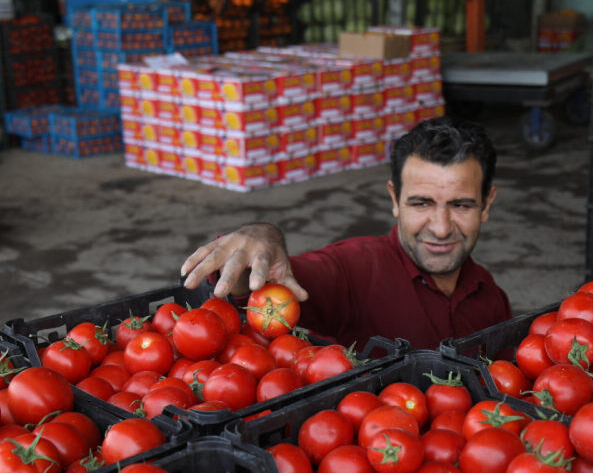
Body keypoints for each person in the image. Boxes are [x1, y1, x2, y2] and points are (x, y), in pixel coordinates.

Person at [180, 116, 512, 350]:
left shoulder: (491, 297)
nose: (441, 228)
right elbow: (261, 289)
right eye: (421, 203)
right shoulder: (352, 268)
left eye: (461, 205)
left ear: (486, 204)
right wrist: (261, 237)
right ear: (395, 199)